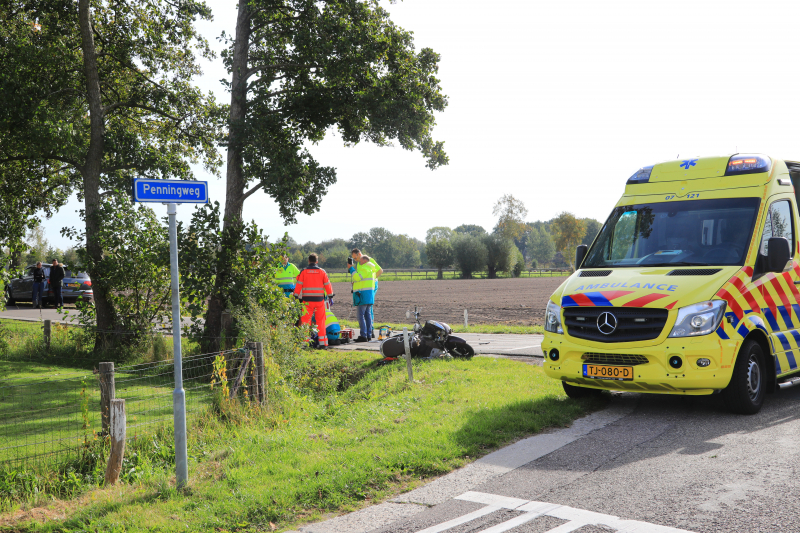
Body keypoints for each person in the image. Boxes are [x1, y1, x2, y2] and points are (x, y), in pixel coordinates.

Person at [294, 254, 334, 349]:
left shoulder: (303, 272)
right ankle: (323, 344)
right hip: (319, 301)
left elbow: (299, 284)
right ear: (317, 261)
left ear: (308, 261)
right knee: (320, 321)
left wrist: (295, 295)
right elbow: (327, 285)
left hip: (307, 301)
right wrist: (330, 296)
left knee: (305, 322)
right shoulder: (322, 271)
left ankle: (305, 344)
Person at [351, 248, 382, 337]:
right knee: (367, 309)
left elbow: (380, 270)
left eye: (355, 258)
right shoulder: (359, 264)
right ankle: (368, 332)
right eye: (354, 259)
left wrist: (373, 280)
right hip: (364, 287)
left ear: (359, 254)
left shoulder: (369, 260)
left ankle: (370, 331)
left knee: (368, 308)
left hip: (370, 286)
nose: (355, 260)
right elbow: (360, 276)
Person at [348, 254, 377, 342]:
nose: (360, 262)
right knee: (368, 315)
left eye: (361, 261)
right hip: (369, 296)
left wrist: (351, 268)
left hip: (363, 296)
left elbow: (357, 277)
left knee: (361, 316)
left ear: (365, 260)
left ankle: (363, 335)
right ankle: (368, 335)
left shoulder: (365, 268)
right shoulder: (372, 270)